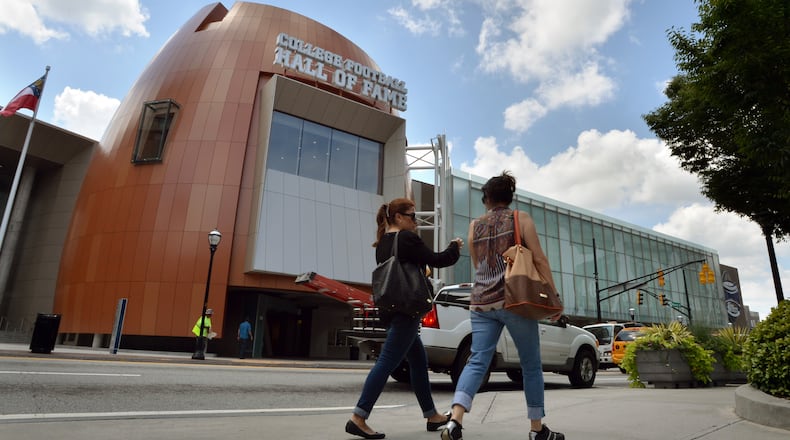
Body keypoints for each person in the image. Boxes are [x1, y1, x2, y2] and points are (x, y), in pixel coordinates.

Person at [441, 171, 565, 440]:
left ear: (486, 198)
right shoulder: (520, 219)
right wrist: (553, 297)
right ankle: (536, 429)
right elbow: (540, 260)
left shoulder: (475, 226)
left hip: (481, 302)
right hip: (514, 301)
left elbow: (477, 264)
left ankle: (455, 420)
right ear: (509, 198)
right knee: (531, 365)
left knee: (477, 362)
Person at [345, 197, 464, 439]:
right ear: (399, 217)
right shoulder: (406, 238)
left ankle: (431, 415)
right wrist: (455, 246)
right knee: (387, 361)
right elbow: (439, 259)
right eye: (412, 216)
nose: (416, 222)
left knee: (418, 361)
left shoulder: (381, 244)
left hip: (391, 308)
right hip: (407, 308)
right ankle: (359, 416)